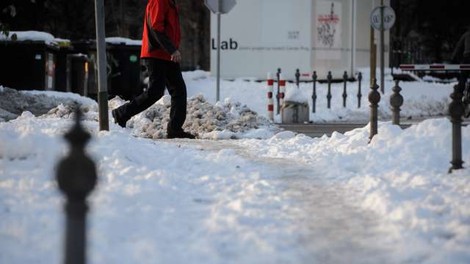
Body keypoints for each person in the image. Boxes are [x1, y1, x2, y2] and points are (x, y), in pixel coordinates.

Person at [112, 0, 195, 139]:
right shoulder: (160, 1)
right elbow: (156, 27)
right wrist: (172, 49)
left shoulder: (170, 3)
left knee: (179, 90)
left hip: (167, 55)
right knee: (155, 92)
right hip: (156, 54)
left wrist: (172, 50)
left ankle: (174, 129)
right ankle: (121, 113)